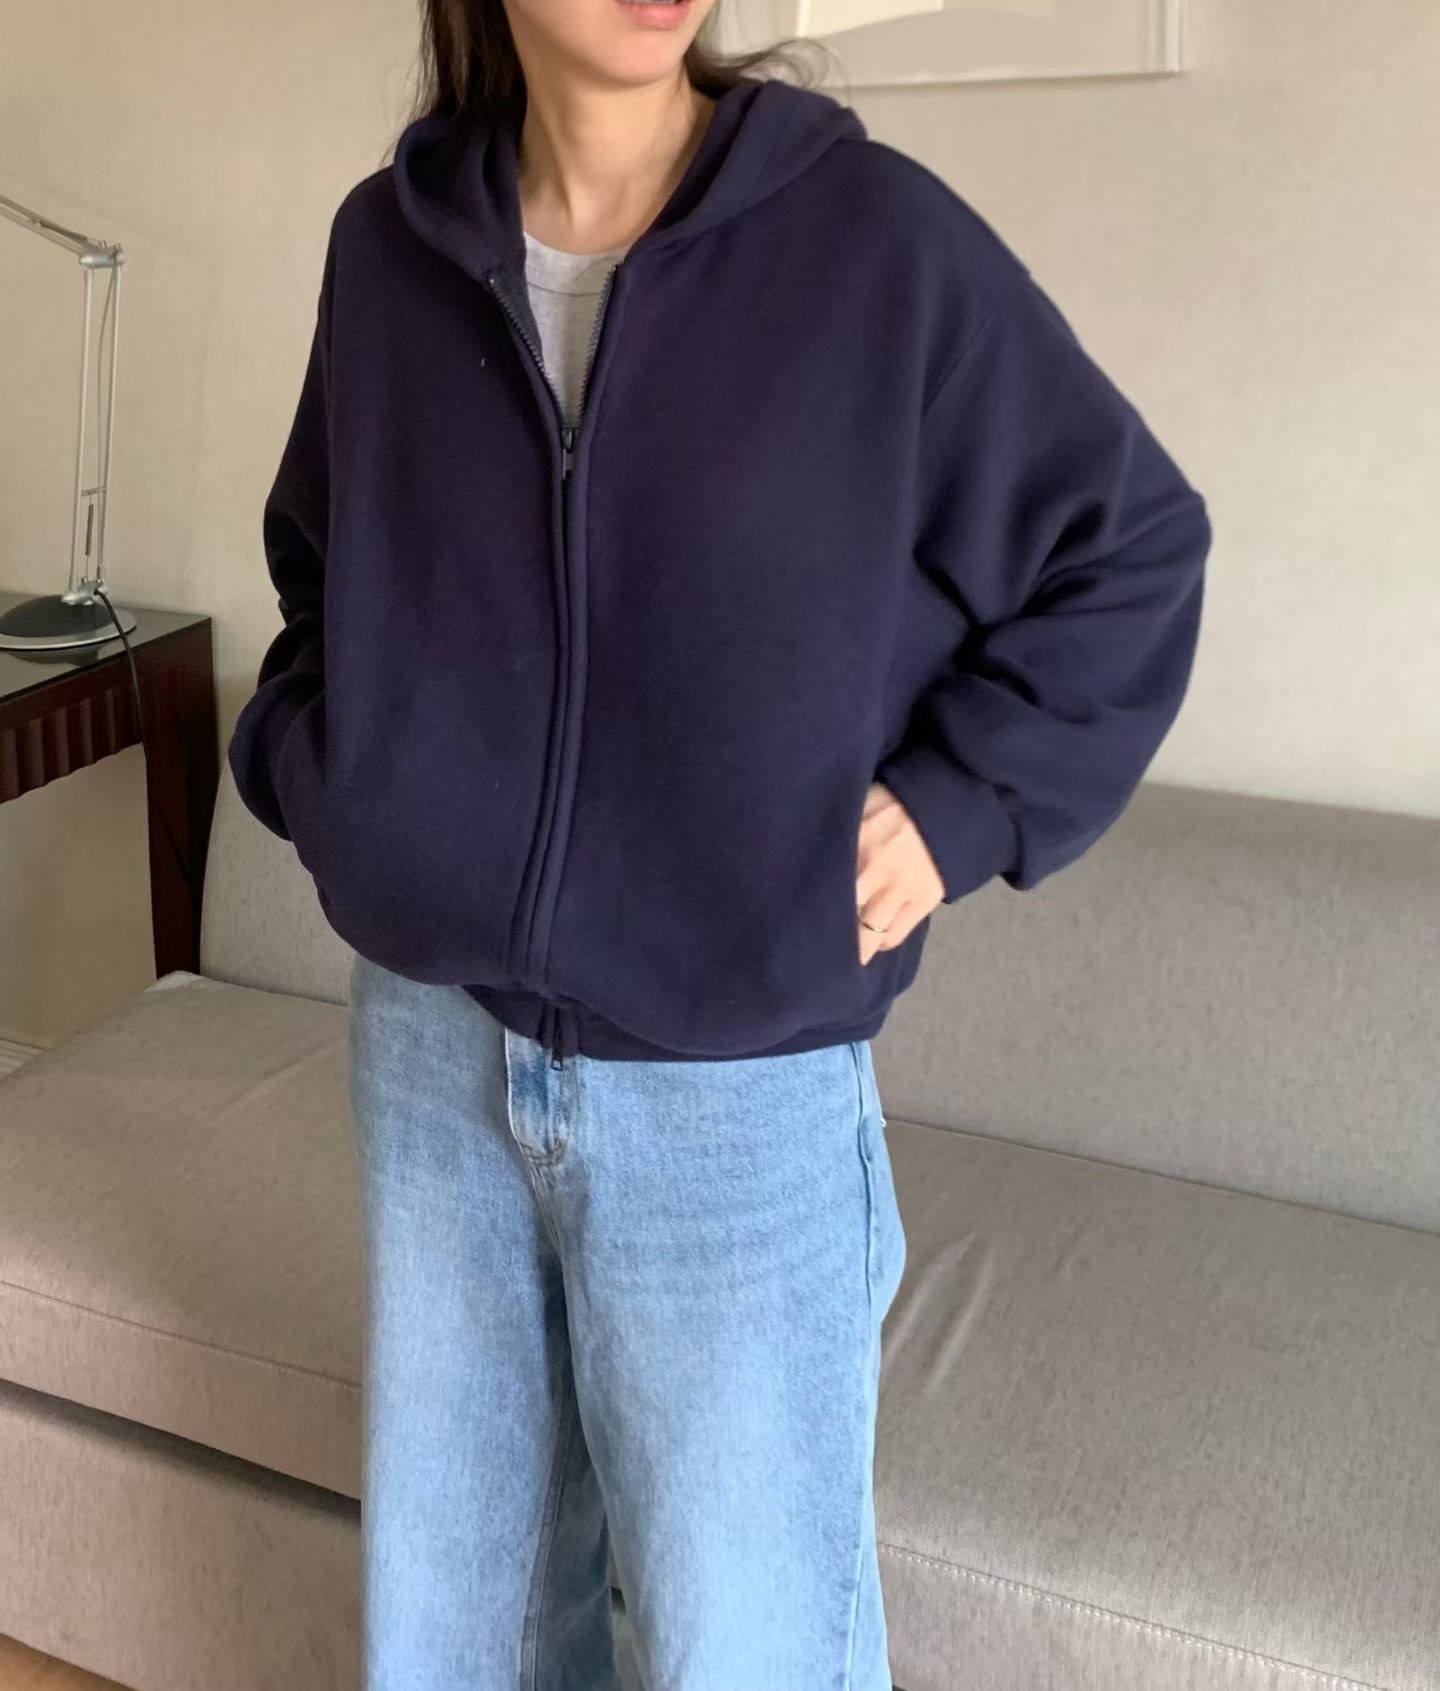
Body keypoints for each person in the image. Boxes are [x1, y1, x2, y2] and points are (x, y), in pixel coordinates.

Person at [227, 1, 1213, 1685]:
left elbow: (1128, 548)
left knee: (744, 1651)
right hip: (430, 1056)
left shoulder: (872, 243)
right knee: (453, 1639)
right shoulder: (387, 251)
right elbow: (323, 577)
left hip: (735, 1095)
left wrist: (957, 809)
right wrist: (337, 785)